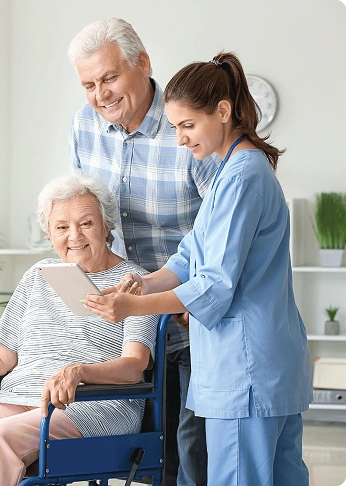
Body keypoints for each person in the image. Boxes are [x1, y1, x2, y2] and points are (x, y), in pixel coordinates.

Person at [83, 51, 313, 485]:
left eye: (188, 126)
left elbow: (213, 285)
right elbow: (190, 255)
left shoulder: (242, 176)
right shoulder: (231, 171)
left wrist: (136, 308)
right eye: (174, 128)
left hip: (245, 369)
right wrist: (142, 284)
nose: (181, 141)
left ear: (223, 112)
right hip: (267, 367)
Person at [0, 172, 158, 486]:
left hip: (93, 404)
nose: (74, 236)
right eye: (62, 227)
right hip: (19, 397)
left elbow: (133, 367)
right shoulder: (39, 275)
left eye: (86, 223)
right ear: (49, 233)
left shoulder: (136, 283)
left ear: (106, 225)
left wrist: (81, 372)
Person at [68, 18, 219, 486]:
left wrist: (190, 301)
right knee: (143, 455)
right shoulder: (85, 124)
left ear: (143, 64)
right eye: (89, 84)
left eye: (109, 78)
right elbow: (85, 213)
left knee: (192, 452)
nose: (101, 95)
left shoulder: (188, 127)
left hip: (188, 317)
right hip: (126, 326)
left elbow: (222, 229)